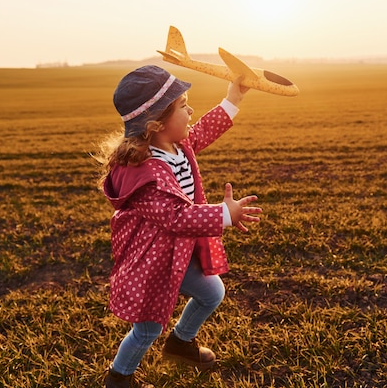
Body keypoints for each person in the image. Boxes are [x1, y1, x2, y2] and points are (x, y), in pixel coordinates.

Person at [95, 65, 262, 388]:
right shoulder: (143, 173)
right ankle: (119, 378)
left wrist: (232, 100)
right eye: (183, 106)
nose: (191, 111)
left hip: (177, 253)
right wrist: (224, 214)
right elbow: (176, 218)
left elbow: (199, 133)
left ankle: (180, 344)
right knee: (147, 330)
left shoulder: (175, 145)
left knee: (212, 292)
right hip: (151, 262)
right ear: (157, 123)